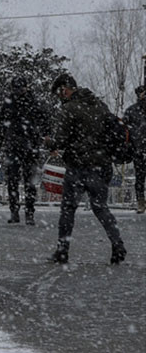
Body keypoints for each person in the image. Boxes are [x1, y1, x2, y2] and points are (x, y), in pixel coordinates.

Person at [46, 73, 127, 265]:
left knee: (68, 209)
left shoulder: (70, 109)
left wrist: (50, 141)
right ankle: (117, 244)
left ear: (64, 89)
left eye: (59, 93)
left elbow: (60, 140)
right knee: (101, 208)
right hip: (102, 165)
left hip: (78, 166)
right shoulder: (100, 105)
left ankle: (62, 251)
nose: (60, 97)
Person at [0, 76, 46, 225]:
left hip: (21, 146)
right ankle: (24, 212)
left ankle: (20, 211)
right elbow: (2, 125)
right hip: (25, 146)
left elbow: (2, 126)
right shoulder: (30, 102)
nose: (18, 92)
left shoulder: (16, 103)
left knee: (18, 181)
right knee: (21, 181)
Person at [121, 84, 146, 214]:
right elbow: (123, 129)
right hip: (138, 149)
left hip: (139, 147)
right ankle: (141, 201)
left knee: (140, 177)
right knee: (140, 177)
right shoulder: (132, 111)